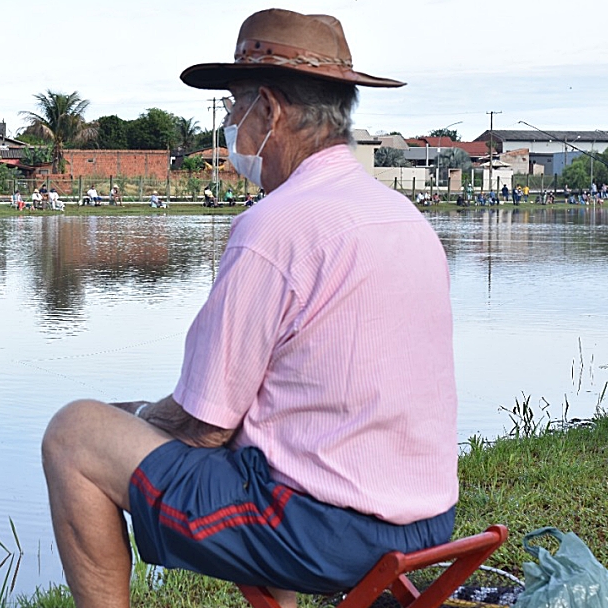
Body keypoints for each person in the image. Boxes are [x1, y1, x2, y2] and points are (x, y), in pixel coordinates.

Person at [41, 10, 458, 608]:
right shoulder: (402, 217)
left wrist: (133, 418)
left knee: (75, 434)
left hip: (327, 533)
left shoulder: (275, 226)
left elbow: (205, 423)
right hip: (427, 521)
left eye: (235, 109)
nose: (232, 126)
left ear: (269, 110)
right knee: (264, 443)